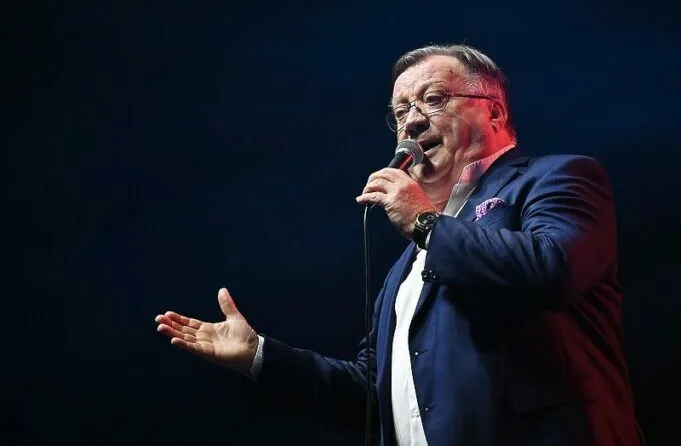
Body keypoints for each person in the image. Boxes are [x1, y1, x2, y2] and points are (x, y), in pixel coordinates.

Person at [155, 44, 641, 445]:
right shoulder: (406, 266)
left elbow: (554, 268)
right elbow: (373, 390)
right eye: (401, 111)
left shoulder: (556, 178)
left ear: (494, 111)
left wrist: (425, 224)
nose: (411, 123)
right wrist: (259, 356)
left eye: (433, 99)